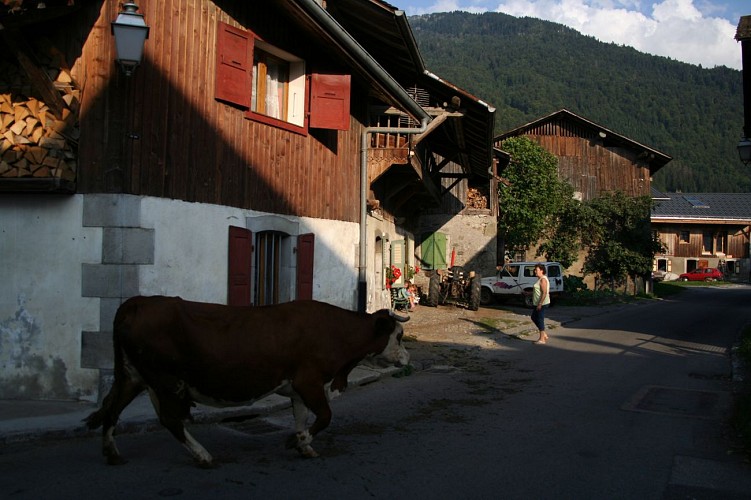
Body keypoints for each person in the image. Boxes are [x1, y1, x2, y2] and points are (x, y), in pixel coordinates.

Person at [531, 263, 550, 344]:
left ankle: (542, 339)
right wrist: (528, 293)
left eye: (537, 270)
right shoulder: (539, 279)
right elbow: (538, 291)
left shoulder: (543, 279)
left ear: (541, 271)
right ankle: (544, 334)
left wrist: (540, 304)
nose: (535, 271)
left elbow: (544, 292)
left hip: (542, 303)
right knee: (534, 317)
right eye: (535, 269)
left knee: (540, 319)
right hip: (538, 303)